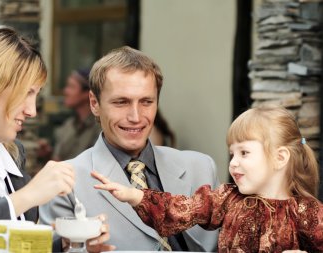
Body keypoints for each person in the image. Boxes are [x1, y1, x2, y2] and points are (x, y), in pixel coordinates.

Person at [0, 26, 113, 253]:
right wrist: (27, 196)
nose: (32, 110)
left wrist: (65, 242)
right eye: (26, 93)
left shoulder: (12, 154)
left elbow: (7, 243)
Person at [39, 46, 219, 251]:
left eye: (146, 102)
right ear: (94, 104)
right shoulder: (65, 183)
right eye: (121, 102)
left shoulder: (202, 168)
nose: (135, 117)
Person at [92, 105, 323, 252]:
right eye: (232, 154)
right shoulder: (226, 199)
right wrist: (136, 195)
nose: (233, 163)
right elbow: (181, 209)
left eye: (244, 153)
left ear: (280, 157)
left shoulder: (307, 212)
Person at [37, 68, 101, 162]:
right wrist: (47, 153)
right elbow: (58, 160)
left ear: (87, 94)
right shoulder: (68, 125)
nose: (65, 91)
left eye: (71, 87)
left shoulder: (99, 128)